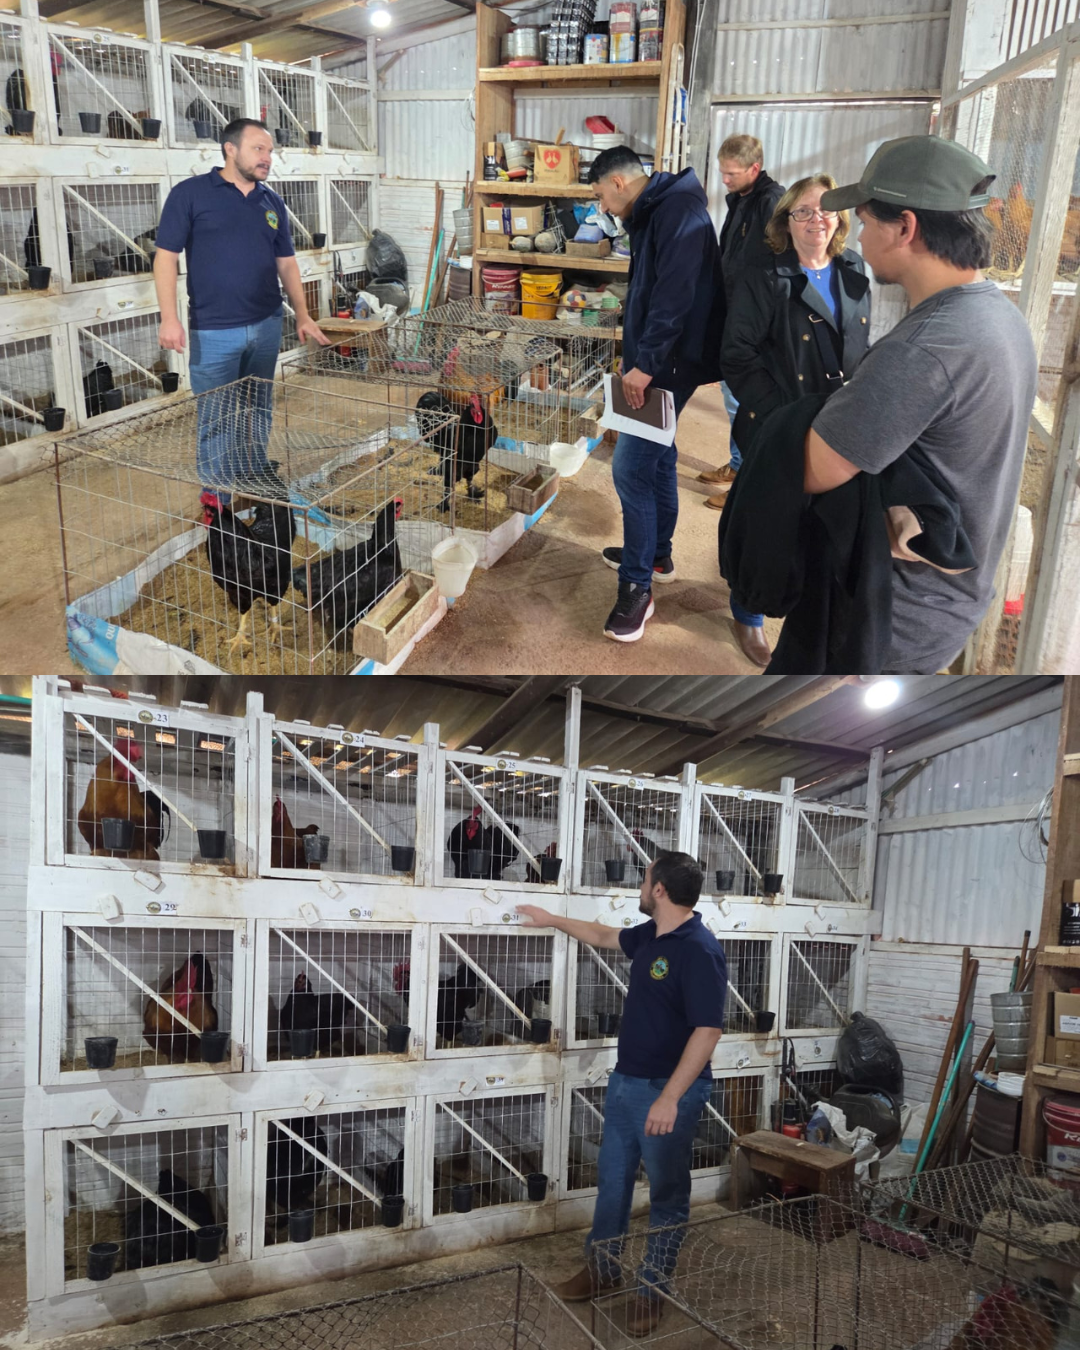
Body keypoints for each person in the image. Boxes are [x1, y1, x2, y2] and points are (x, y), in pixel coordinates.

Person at [803, 135, 1038, 672]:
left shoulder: (923, 349)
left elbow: (816, 470)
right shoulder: (998, 315)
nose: (859, 236)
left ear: (905, 227)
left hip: (895, 614)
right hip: (950, 600)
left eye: (866, 221)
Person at [518, 853, 726, 1338]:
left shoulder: (699, 949)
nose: (640, 886)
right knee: (612, 1183)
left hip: (668, 1092)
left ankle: (652, 1289)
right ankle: (603, 1269)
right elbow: (602, 935)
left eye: (645, 879)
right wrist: (552, 919)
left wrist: (670, 1098)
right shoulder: (651, 935)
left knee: (667, 1194)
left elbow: (708, 1030)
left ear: (659, 890)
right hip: (627, 1082)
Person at [721, 174, 872, 667]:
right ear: (786, 221)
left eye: (825, 210)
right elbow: (737, 356)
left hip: (836, 424)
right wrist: (779, 419)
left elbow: (857, 346)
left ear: (840, 219)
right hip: (778, 425)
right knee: (767, 522)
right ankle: (748, 612)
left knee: (819, 524)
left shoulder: (853, 270)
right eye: (803, 211)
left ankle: (803, 612)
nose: (815, 220)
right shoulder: (765, 276)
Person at [154, 117, 329, 502]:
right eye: (258, 149)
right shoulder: (191, 194)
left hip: (266, 324)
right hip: (214, 329)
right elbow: (165, 257)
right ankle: (218, 502)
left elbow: (287, 263)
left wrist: (302, 314)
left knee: (257, 409)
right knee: (217, 417)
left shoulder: (271, 201)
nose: (267, 157)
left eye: (270, 151)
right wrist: (169, 317)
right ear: (230, 149)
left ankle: (252, 484)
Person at [589, 146, 722, 643]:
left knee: (630, 468)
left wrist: (645, 364)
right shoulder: (655, 209)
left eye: (601, 195)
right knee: (660, 454)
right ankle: (658, 555)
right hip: (663, 357)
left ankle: (637, 588)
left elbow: (675, 293)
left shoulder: (676, 211)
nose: (602, 206)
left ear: (618, 183)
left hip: (667, 362)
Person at [700, 134, 785, 506]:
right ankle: (738, 465)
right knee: (732, 395)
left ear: (755, 168)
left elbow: (776, 267)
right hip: (736, 311)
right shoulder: (742, 200)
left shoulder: (771, 203)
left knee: (746, 401)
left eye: (731, 173)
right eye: (723, 172)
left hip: (755, 321)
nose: (724, 180)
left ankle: (746, 485)